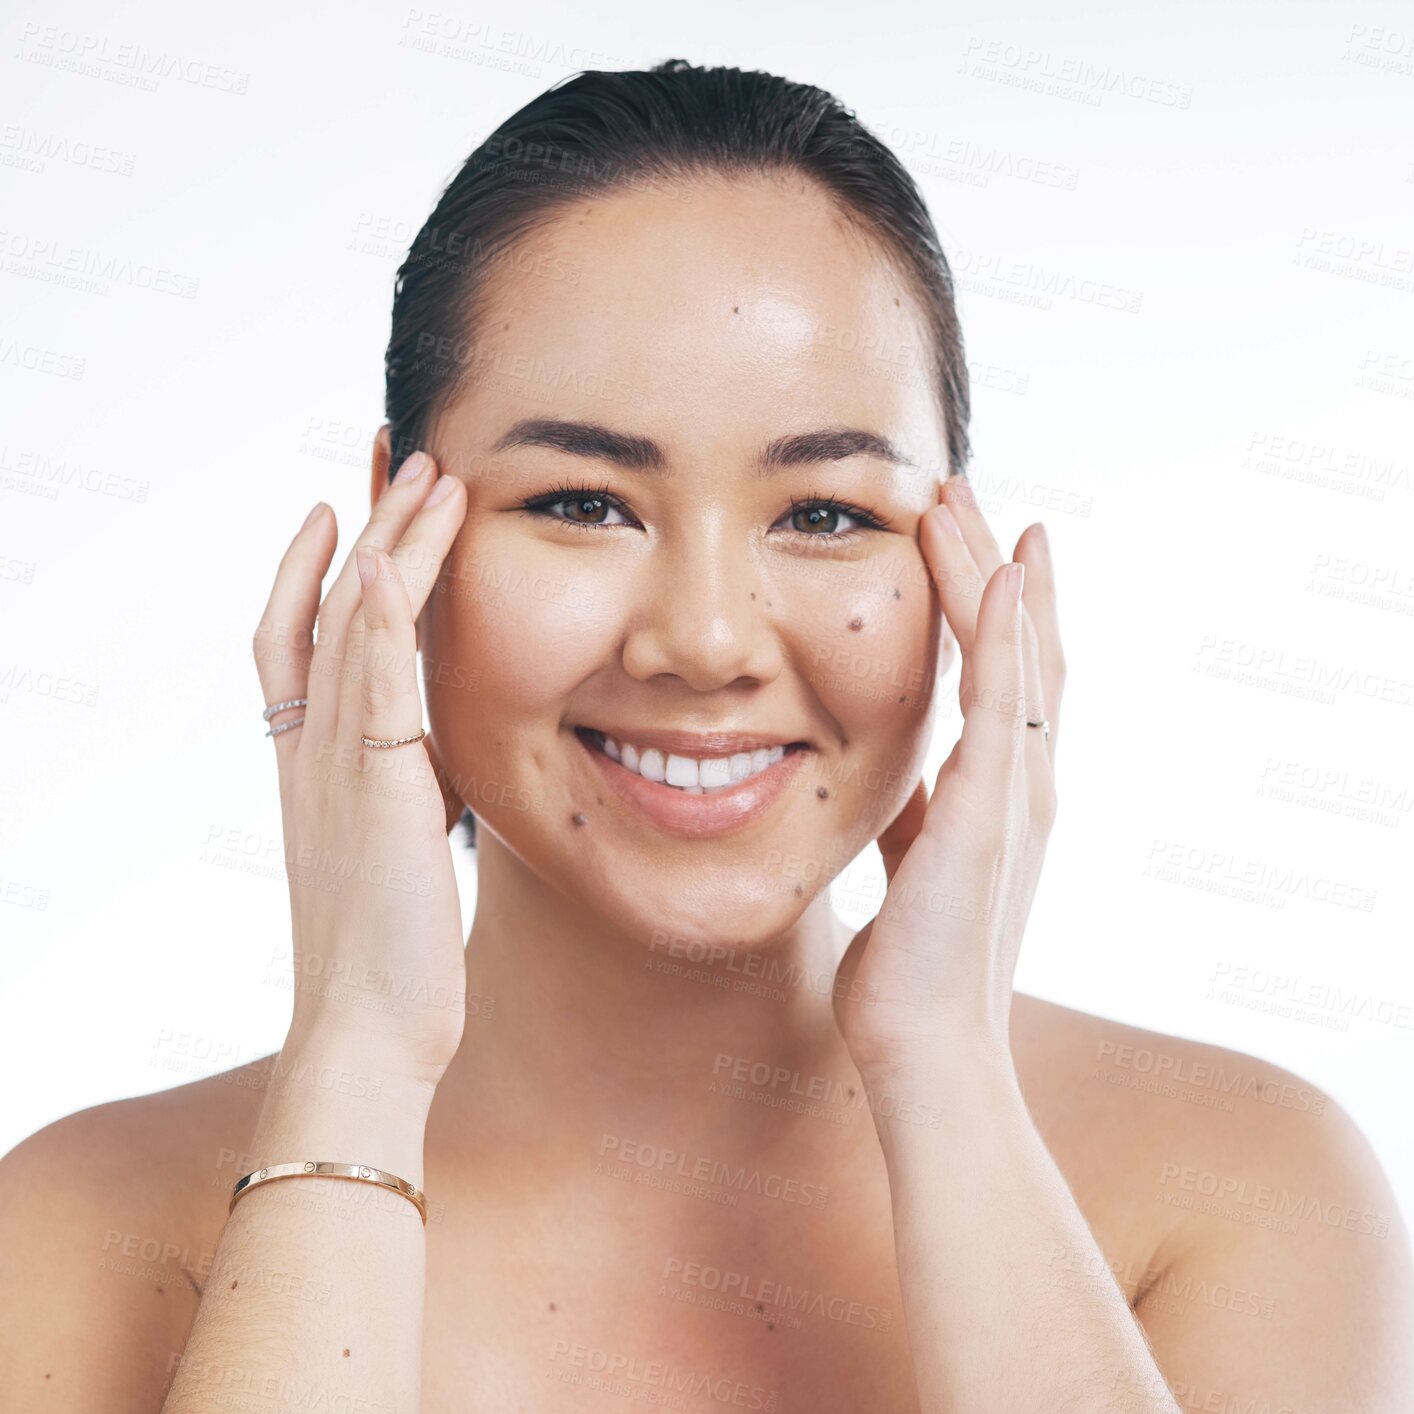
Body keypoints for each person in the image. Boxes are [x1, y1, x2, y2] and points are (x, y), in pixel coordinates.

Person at [1, 59, 1409, 1414]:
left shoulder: (1234, 1189)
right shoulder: (88, 1232)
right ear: (397, 527)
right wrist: (356, 1065)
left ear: (958, 557)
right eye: (584, 501)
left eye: (824, 513)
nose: (708, 639)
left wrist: (943, 1073)